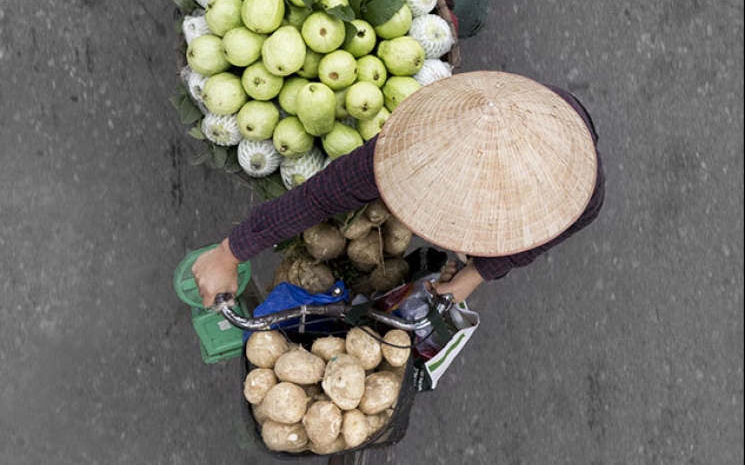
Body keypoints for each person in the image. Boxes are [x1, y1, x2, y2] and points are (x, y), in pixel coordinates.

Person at [191, 70, 605, 308]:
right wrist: (231, 251)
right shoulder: (411, 146)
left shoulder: (578, 191)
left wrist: (476, 274)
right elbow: (316, 198)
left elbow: (537, 239)